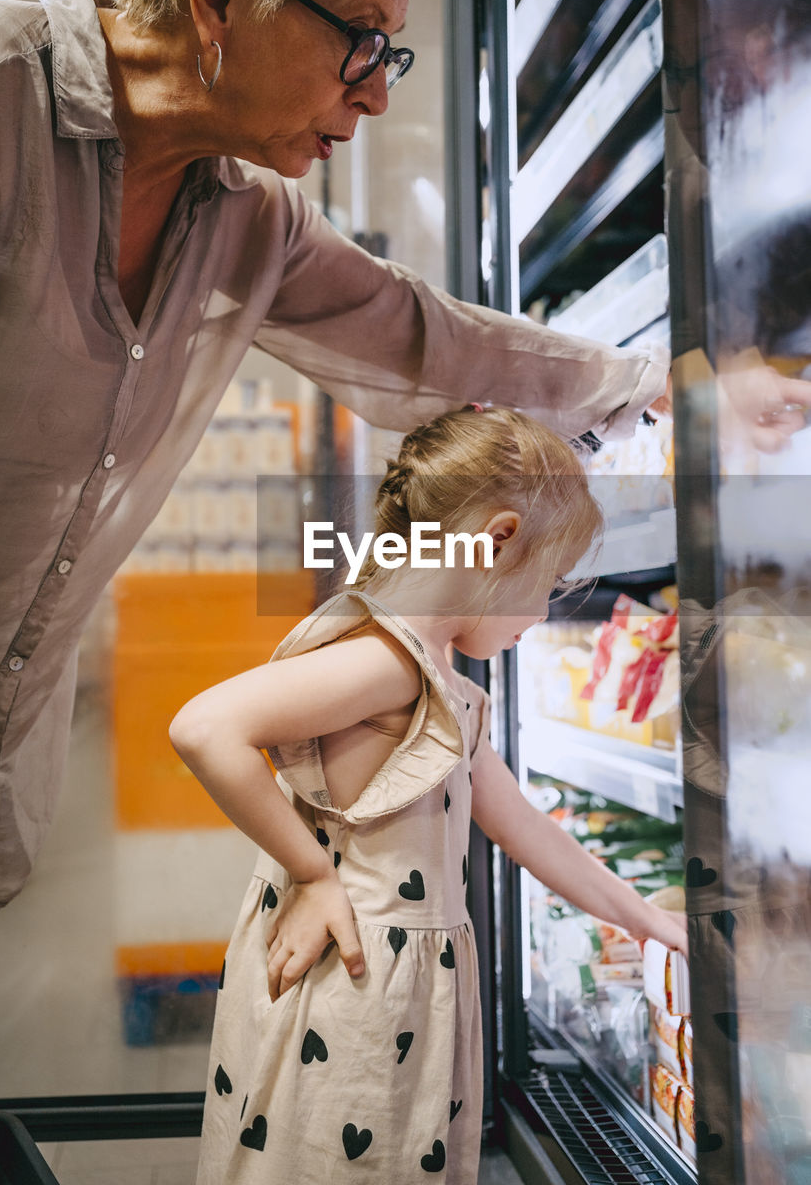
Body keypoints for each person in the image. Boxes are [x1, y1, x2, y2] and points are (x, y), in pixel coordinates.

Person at [0, 0, 680, 1106]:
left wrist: (658, 388)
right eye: (363, 42)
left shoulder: (249, 217)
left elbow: (427, 338)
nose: (377, 95)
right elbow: (215, 727)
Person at [170, 405, 688, 1183]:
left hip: (399, 992)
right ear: (497, 539)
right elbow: (206, 727)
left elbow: (524, 828)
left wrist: (648, 921)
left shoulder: (441, 682)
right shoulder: (388, 661)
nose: (542, 614)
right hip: (352, 984)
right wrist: (312, 873)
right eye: (546, 584)